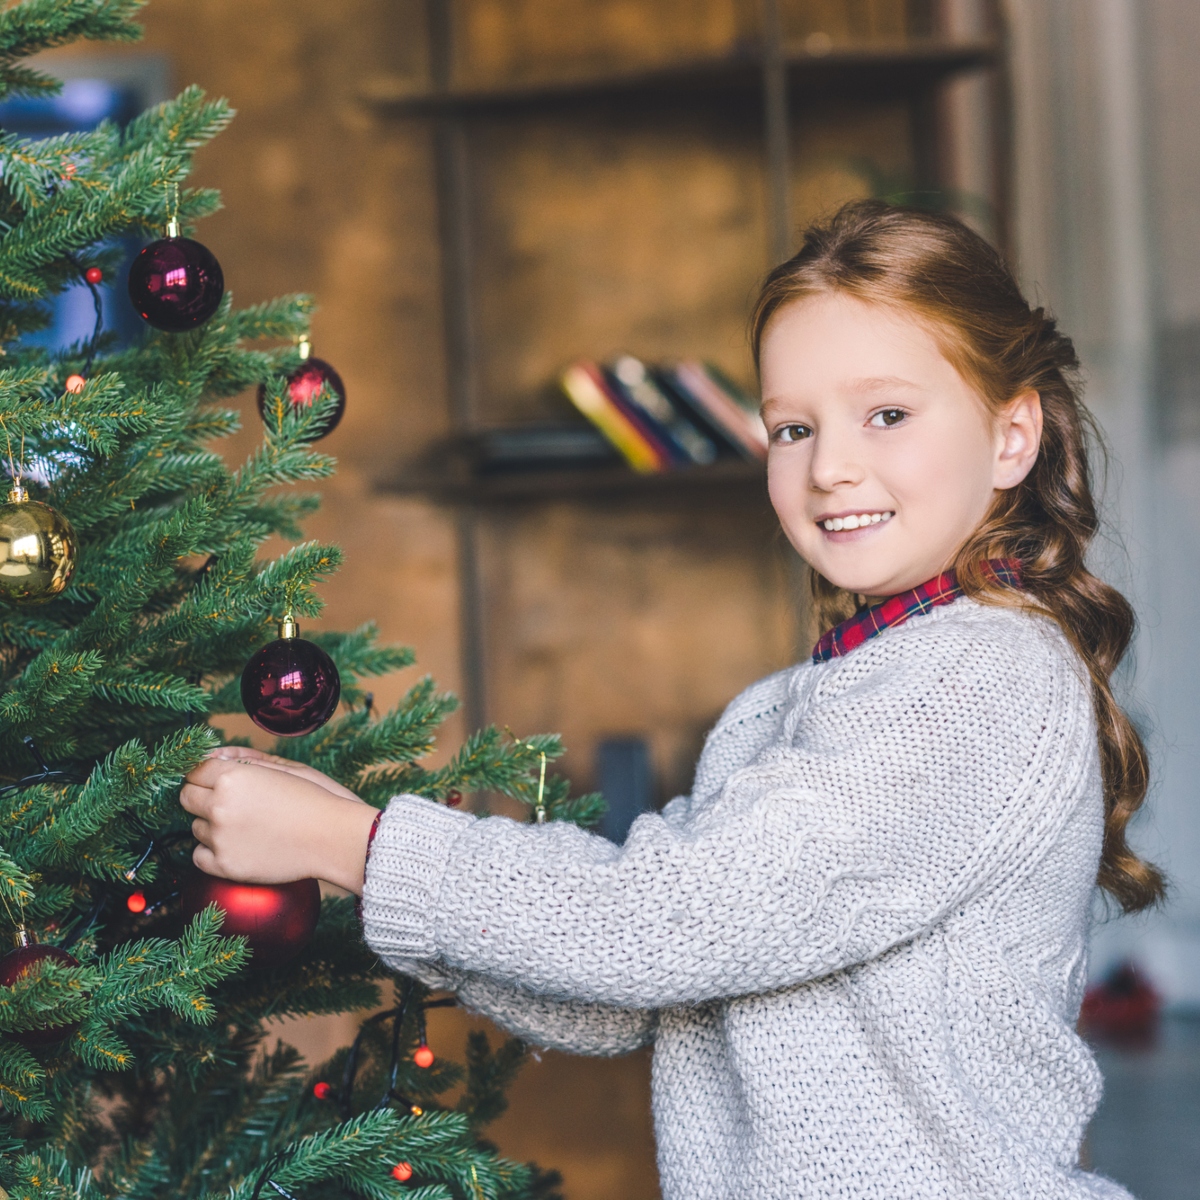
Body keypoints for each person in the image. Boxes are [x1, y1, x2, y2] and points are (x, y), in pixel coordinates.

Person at [182, 200, 1163, 1199]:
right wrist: (355, 863)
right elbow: (632, 995)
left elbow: (670, 920)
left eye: (887, 414)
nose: (830, 466)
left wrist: (352, 842)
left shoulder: (978, 677)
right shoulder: (794, 705)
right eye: (792, 427)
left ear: (1013, 436)